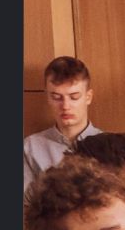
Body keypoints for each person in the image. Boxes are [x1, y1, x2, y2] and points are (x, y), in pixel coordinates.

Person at [24, 56, 100, 190]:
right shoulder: (30, 147)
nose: (65, 106)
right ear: (47, 97)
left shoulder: (111, 146)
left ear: (88, 97)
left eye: (74, 97)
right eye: (56, 97)